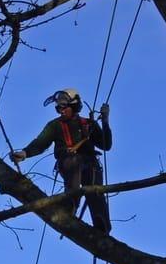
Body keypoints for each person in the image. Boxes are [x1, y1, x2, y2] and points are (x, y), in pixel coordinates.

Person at [10, 88, 112, 233]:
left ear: (74, 106)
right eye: (59, 109)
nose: (61, 111)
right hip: (69, 162)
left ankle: (101, 223)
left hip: (90, 163)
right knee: (74, 163)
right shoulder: (55, 126)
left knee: (95, 190)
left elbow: (105, 145)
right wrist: (25, 153)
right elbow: (40, 143)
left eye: (64, 108)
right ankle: (69, 205)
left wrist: (105, 122)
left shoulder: (88, 124)